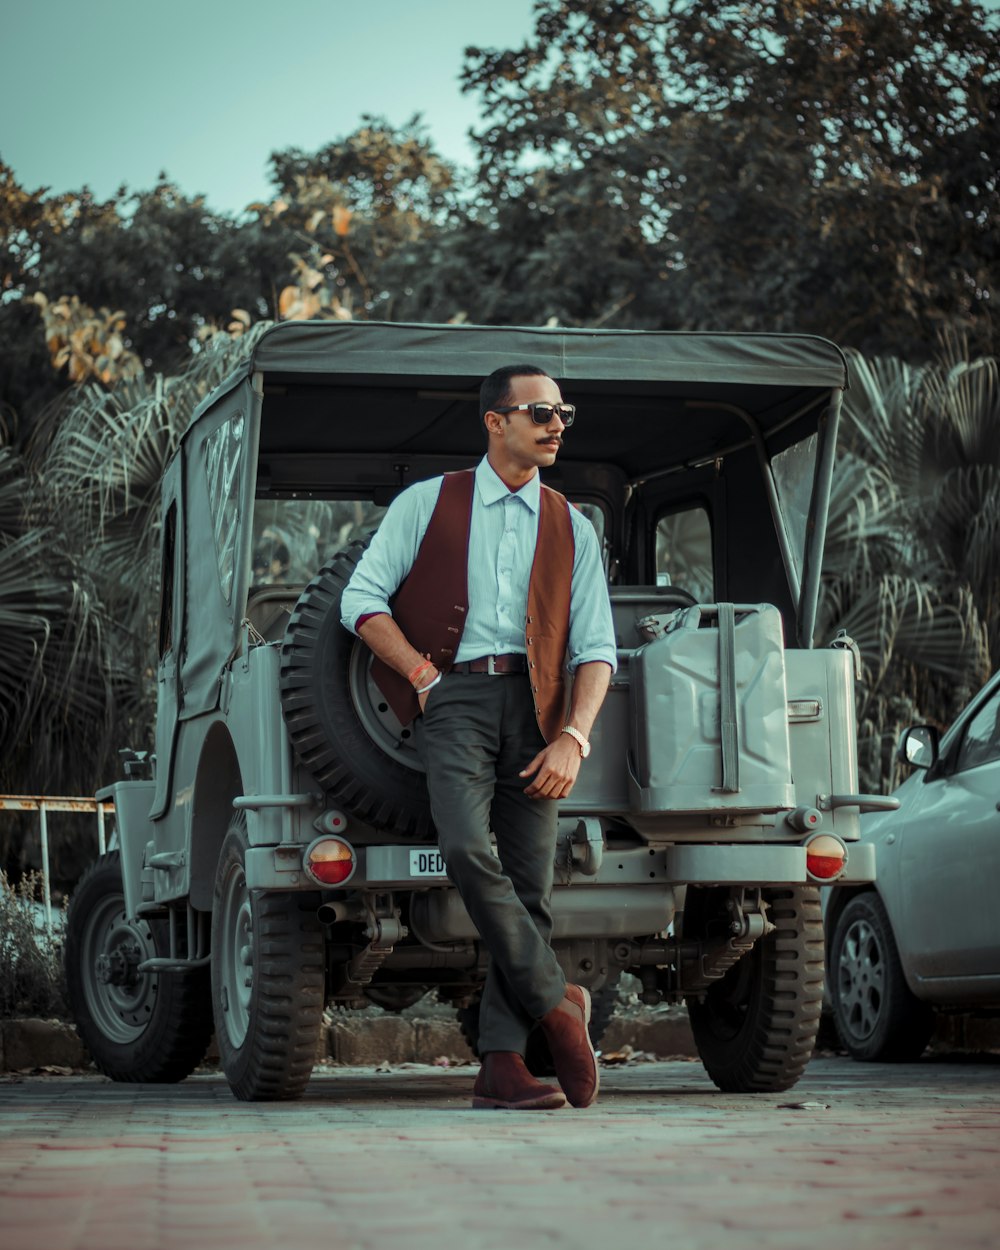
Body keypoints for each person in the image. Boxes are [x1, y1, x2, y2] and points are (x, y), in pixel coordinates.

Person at [340, 364, 616, 1110]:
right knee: (465, 848)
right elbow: (359, 599)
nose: (556, 423)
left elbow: (596, 649)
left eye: (564, 411)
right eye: (540, 411)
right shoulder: (427, 503)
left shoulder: (572, 525)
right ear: (495, 421)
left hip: (540, 706)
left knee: (531, 887)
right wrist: (422, 678)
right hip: (453, 693)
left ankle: (500, 1066)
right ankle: (560, 1004)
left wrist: (574, 738)